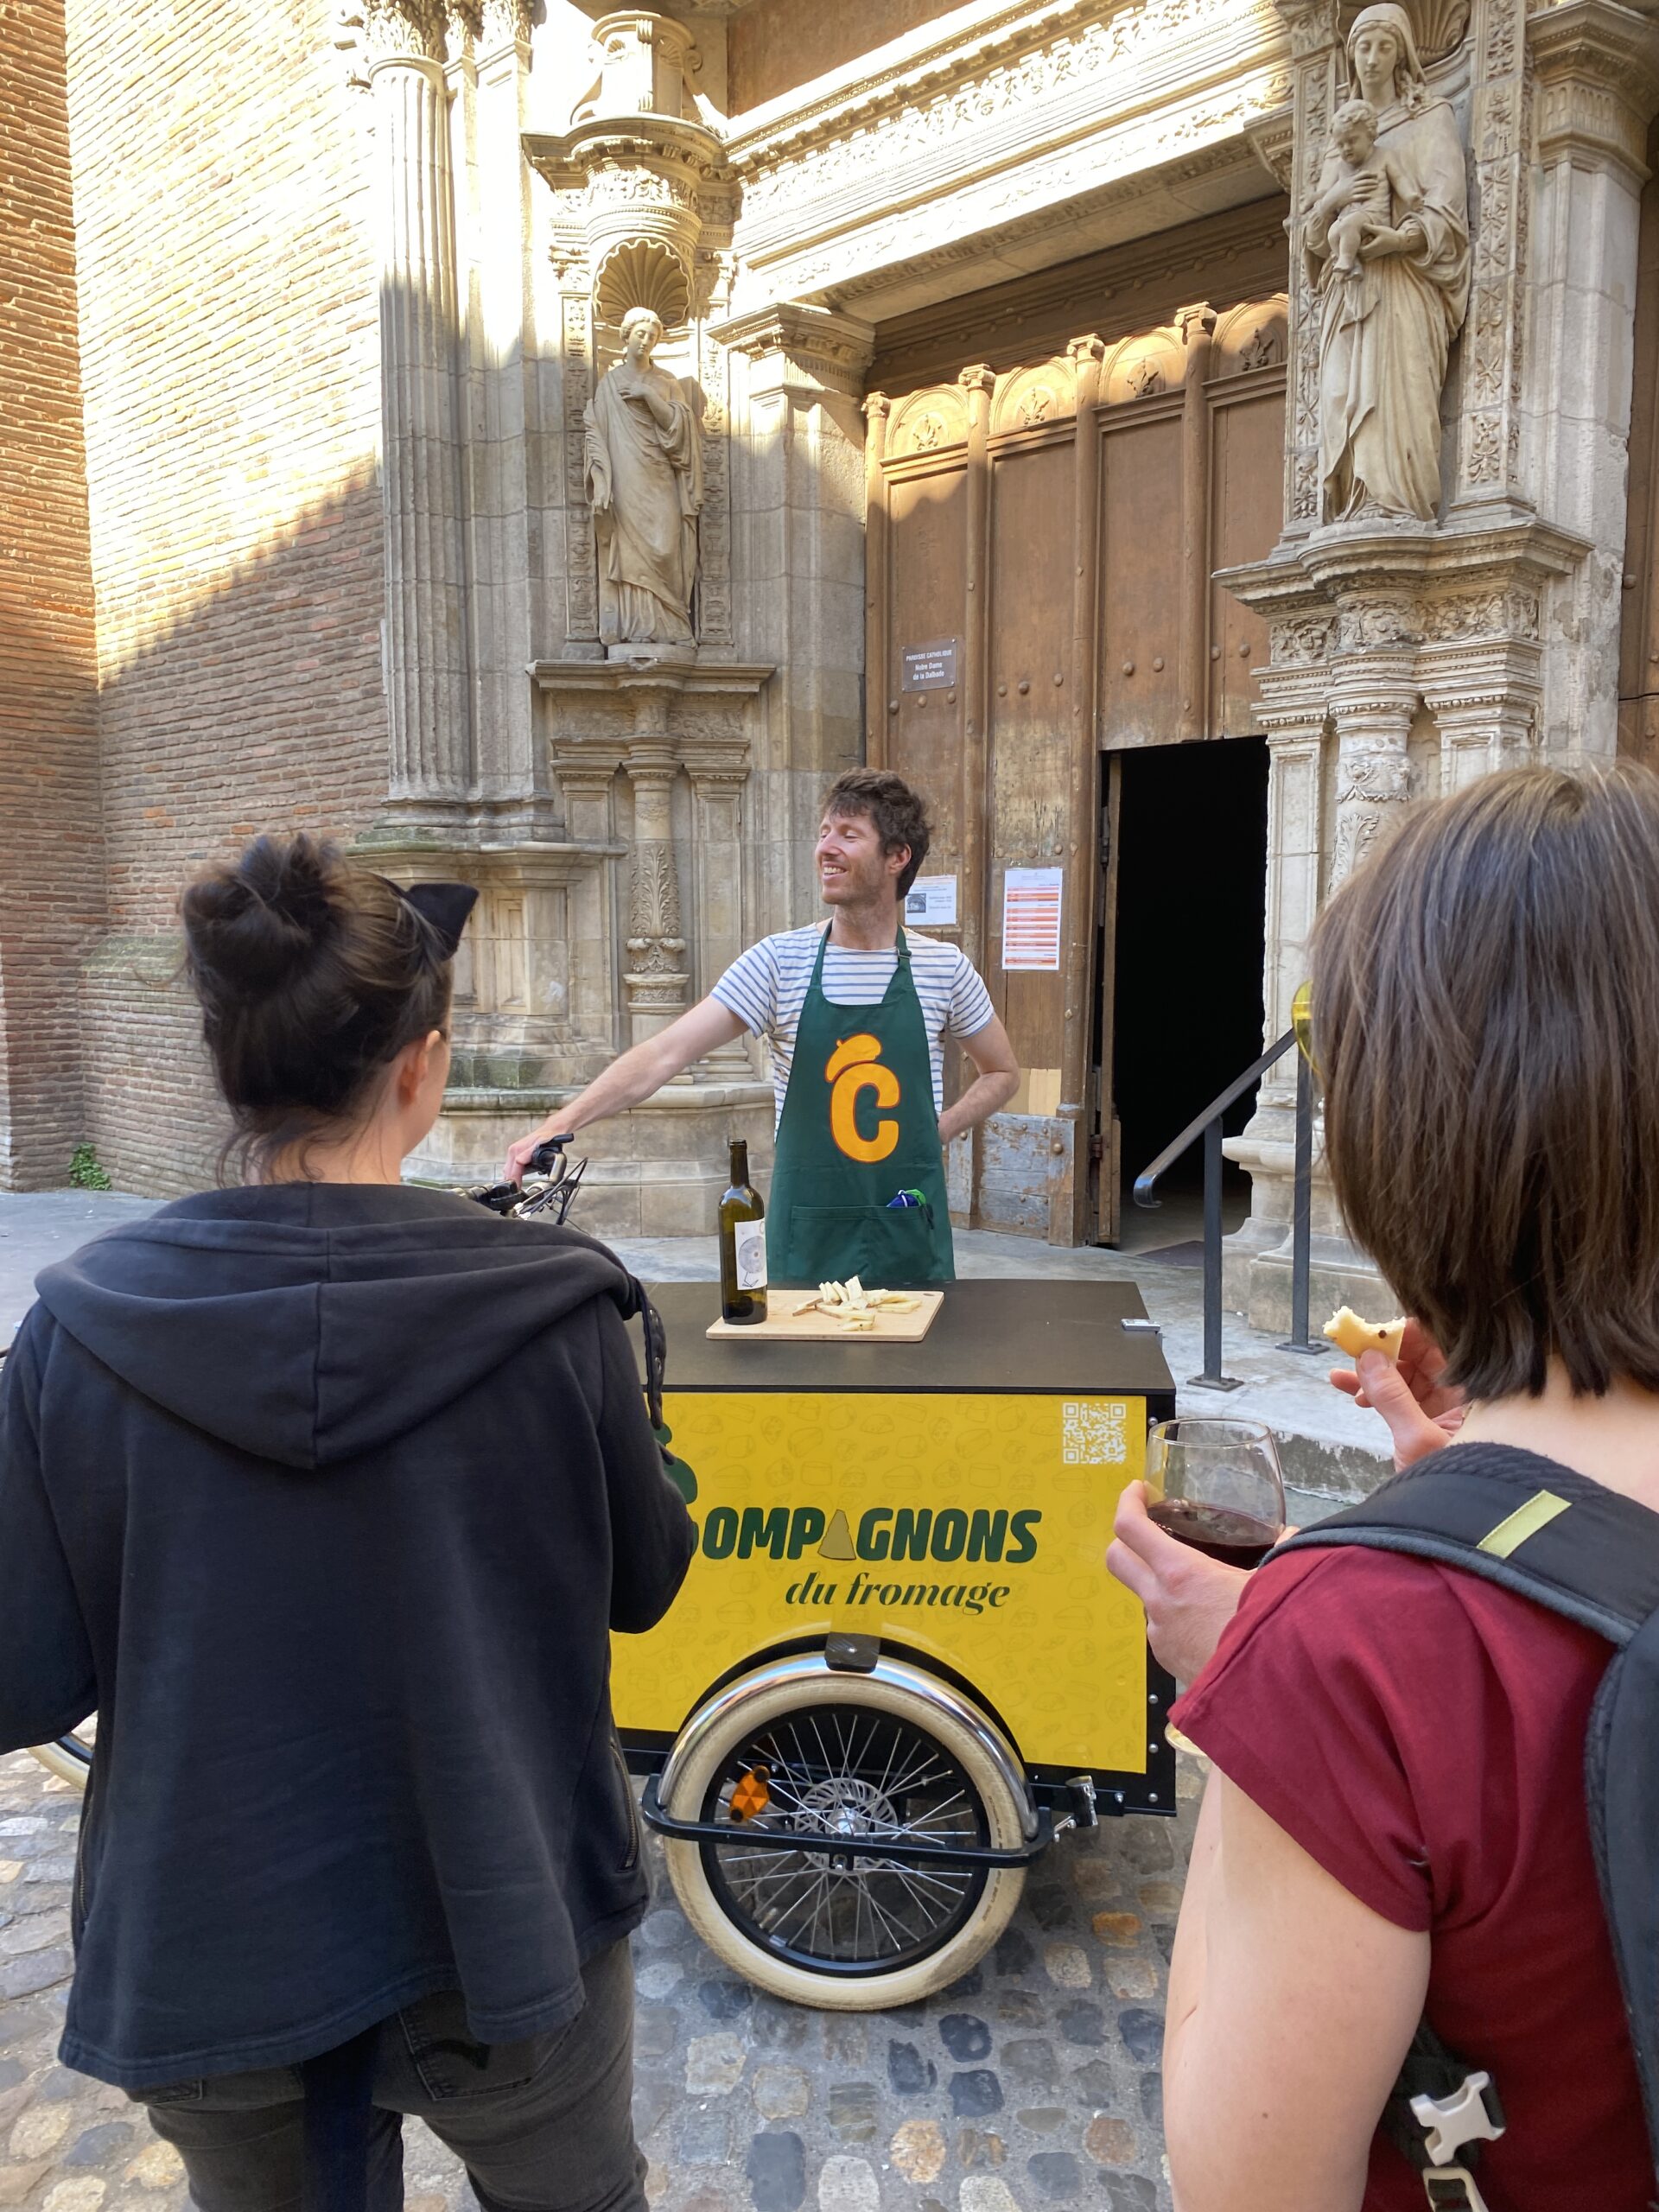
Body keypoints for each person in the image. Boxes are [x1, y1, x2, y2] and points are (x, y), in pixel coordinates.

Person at [0, 835, 696, 2212]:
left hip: (212, 1941)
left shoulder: (72, 1332)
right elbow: (650, 1579)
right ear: (424, 1068)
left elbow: (27, 1677)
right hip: (505, 1925)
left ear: (224, 1064)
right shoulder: (561, 1310)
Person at [1107, 764, 1659, 2210]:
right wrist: (1474, 1515)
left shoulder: (1361, 1652)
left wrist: (1261, 1667)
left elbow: (1243, 2183)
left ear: (1408, 1140)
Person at [508, 769, 1020, 1286]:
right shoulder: (778, 962)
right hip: (808, 1234)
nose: (826, 848)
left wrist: (938, 1131)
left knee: (921, 1366)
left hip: (907, 1227)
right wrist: (557, 1125)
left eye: (848, 834)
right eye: (823, 832)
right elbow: (665, 1054)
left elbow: (1000, 1072)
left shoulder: (944, 968)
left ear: (897, 856)